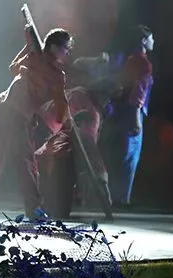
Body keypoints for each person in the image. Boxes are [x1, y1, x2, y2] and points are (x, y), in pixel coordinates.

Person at [0, 26, 73, 221]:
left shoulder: (33, 57)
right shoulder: (55, 74)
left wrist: (28, 48)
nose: (67, 52)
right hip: (14, 115)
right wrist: (63, 121)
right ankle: (34, 209)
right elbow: (61, 105)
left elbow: (12, 68)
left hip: (0, 107)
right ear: (54, 47)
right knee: (23, 161)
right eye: (66, 48)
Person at [35, 80, 120, 220]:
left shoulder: (78, 92)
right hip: (45, 129)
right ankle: (48, 207)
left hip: (38, 123)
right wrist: (102, 176)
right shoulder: (92, 112)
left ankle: (45, 207)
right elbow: (89, 145)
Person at [101, 25, 154, 207]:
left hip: (121, 111)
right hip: (133, 113)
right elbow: (138, 94)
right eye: (151, 38)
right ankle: (123, 198)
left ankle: (117, 196)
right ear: (144, 41)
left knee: (121, 155)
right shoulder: (144, 63)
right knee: (130, 156)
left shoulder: (130, 60)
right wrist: (136, 119)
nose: (153, 41)